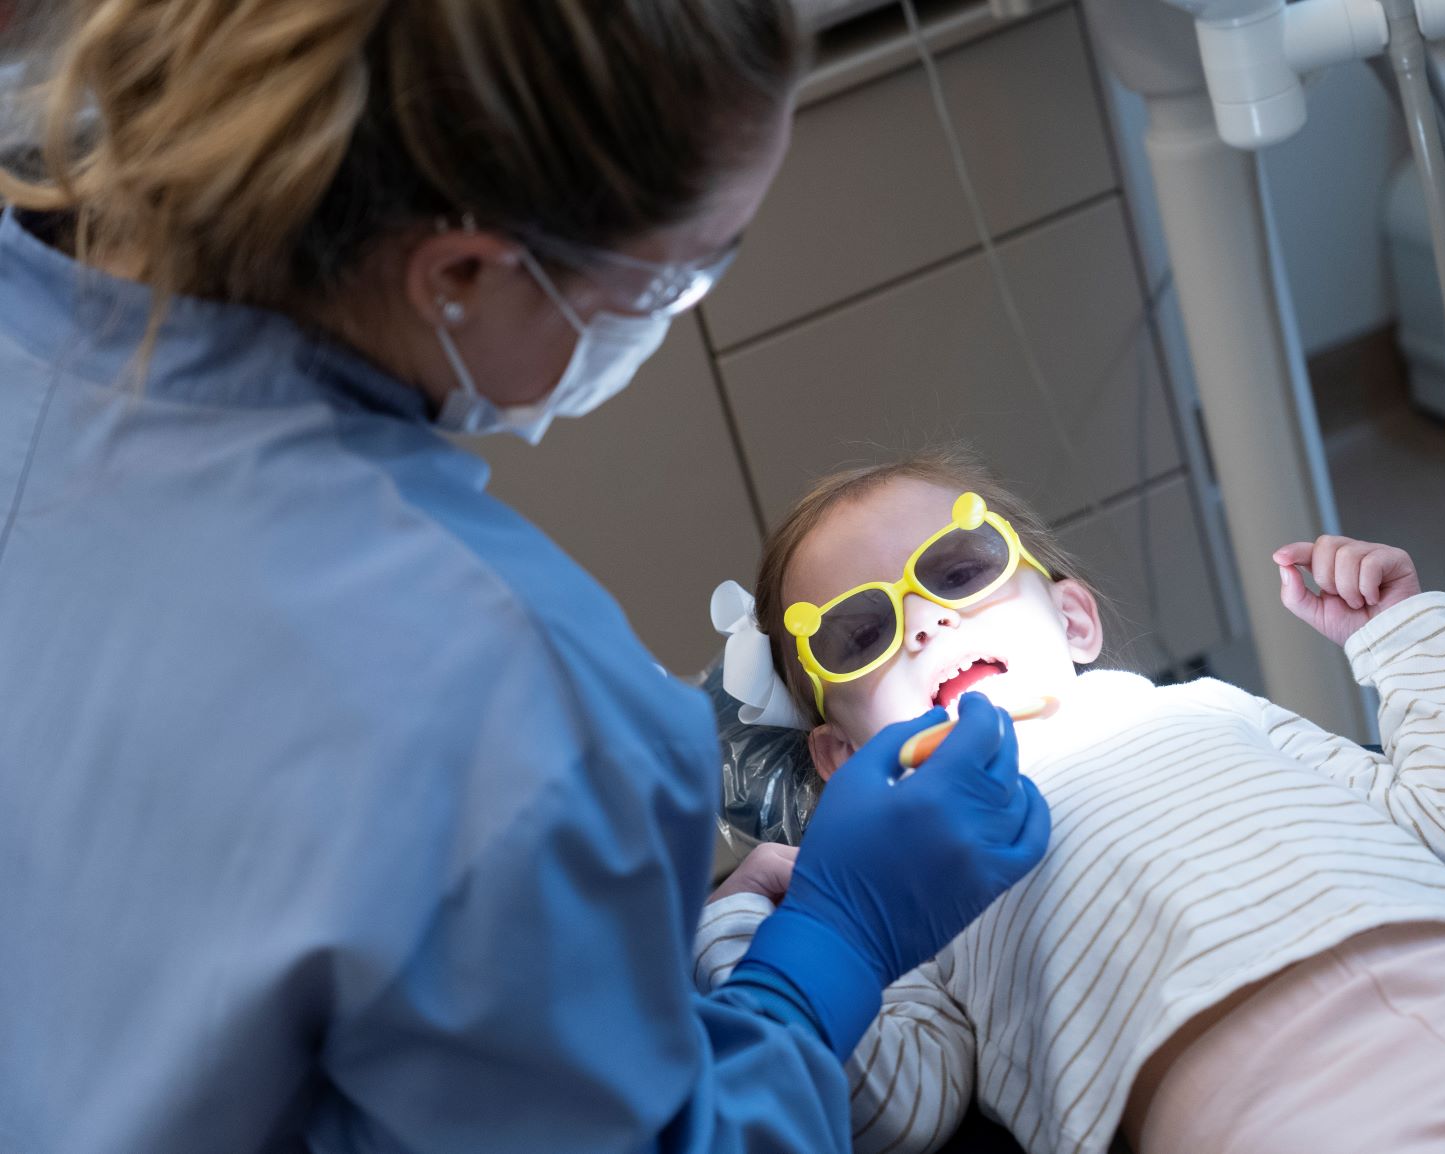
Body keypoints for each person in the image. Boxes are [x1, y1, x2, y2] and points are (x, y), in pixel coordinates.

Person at [0, 5, 1050, 1151]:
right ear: (458, 271)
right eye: (676, 281)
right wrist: (828, 951)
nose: (932, 624)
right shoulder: (509, 712)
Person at [697, 448, 1445, 1154]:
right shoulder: (906, 891)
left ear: (1073, 615)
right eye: (858, 634)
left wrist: (1399, 633)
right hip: (1285, 1104)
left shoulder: (1214, 709)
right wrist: (753, 921)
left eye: (956, 569)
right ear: (838, 753)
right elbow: (901, 1104)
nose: (922, 624)